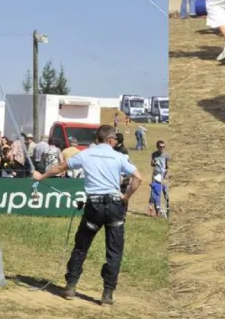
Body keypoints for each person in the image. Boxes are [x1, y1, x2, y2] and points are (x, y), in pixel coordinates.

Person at [33, 125, 143, 305]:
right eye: (115, 139)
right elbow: (138, 177)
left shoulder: (86, 154)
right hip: (115, 206)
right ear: (109, 140)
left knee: (81, 246)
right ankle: (107, 294)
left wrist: (41, 177)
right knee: (114, 251)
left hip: (94, 206)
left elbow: (60, 168)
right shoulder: (119, 156)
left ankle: (70, 286)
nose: (116, 141)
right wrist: (126, 196)